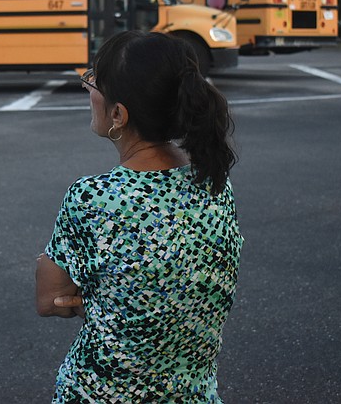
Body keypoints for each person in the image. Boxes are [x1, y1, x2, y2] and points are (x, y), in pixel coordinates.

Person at [35, 30, 243, 403]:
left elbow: (49, 298)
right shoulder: (214, 184)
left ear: (118, 114)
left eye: (94, 80)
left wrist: (104, 298)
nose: (88, 88)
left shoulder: (94, 199)